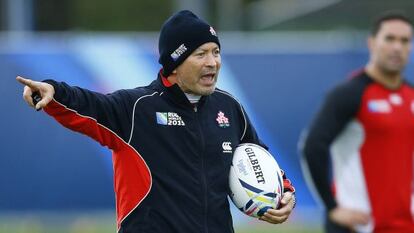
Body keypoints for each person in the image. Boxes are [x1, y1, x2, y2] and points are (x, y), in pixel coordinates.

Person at [16, 10, 295, 233]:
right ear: (174, 64)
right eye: (201, 54)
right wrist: (52, 92)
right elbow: (87, 104)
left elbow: (259, 157)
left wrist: (285, 196)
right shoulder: (137, 108)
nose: (213, 62)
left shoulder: (229, 108)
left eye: (216, 52)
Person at [301, 11, 414, 233]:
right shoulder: (350, 94)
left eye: (404, 40)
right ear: (372, 43)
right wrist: (331, 207)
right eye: (389, 38)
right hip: (358, 226)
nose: (397, 47)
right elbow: (312, 147)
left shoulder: (411, 95)